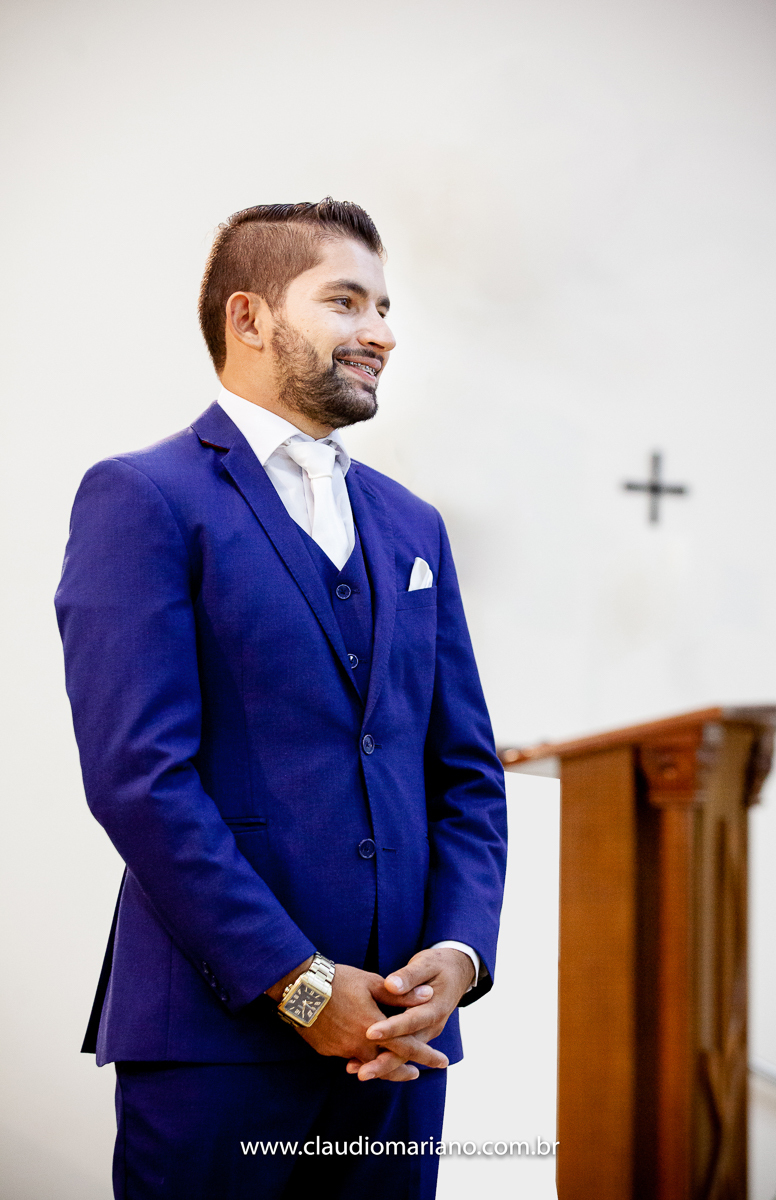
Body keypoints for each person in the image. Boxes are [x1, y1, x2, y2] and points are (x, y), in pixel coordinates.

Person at [55, 199, 507, 1199]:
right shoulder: (143, 497)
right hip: (216, 1041)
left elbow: (466, 774)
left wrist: (459, 953)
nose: (381, 332)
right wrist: (299, 986)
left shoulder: (413, 526)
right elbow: (140, 780)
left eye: (384, 306)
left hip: (402, 1049)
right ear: (249, 318)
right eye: (345, 301)